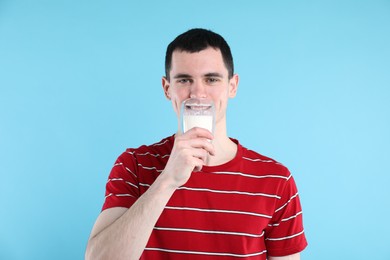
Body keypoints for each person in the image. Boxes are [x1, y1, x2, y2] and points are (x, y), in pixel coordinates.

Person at [85, 28, 308, 259]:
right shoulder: (134, 165)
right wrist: (167, 180)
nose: (198, 93)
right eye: (184, 80)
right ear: (167, 88)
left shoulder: (276, 180)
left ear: (232, 86)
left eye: (211, 79)